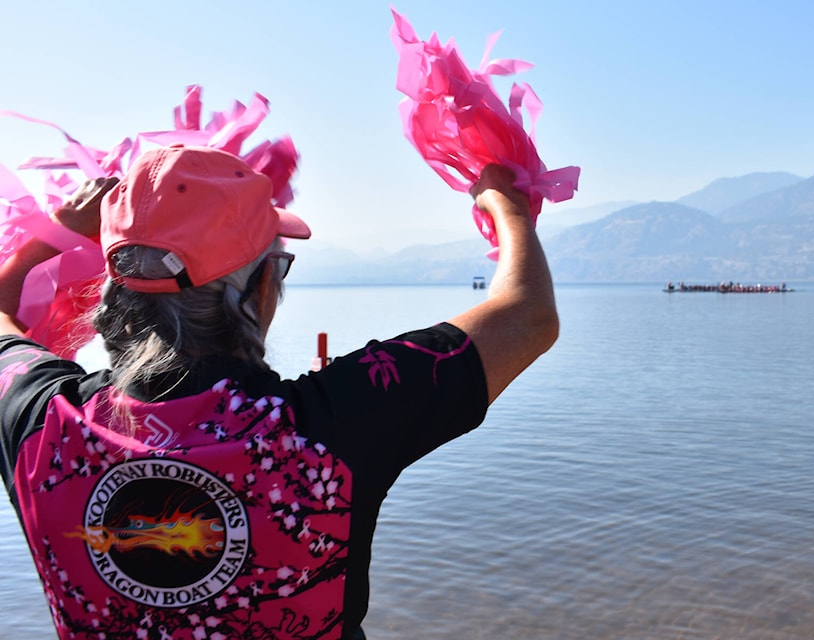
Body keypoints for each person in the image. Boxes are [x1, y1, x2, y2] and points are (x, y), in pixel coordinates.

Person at [0, 145, 558, 639]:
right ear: (264, 285)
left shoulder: (42, 423)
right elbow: (528, 316)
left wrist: (56, 233)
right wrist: (503, 204)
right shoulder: (327, 429)